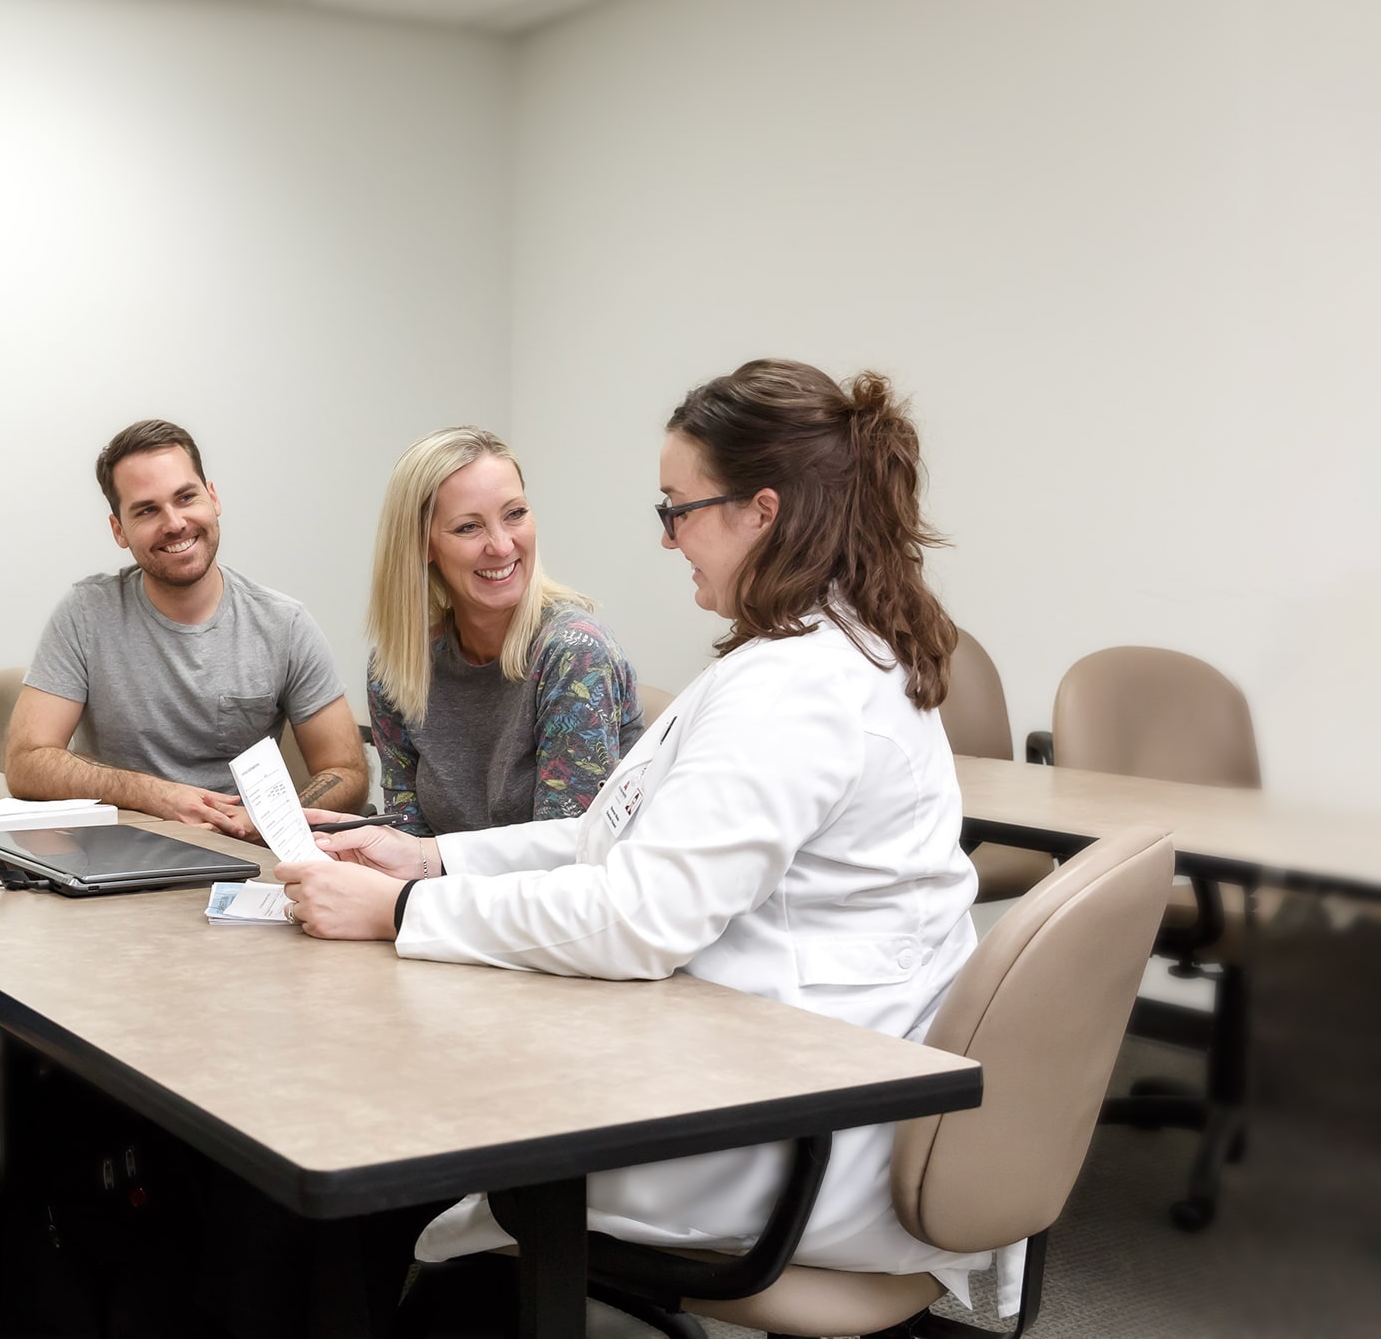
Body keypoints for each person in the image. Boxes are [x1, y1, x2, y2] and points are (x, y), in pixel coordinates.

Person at [278, 360, 999, 1306]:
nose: (669, 540)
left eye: (678, 509)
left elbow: (635, 915)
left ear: (761, 511)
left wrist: (404, 910)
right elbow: (615, 837)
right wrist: (433, 855)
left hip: (788, 1133)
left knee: (377, 1143)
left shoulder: (795, 690)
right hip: (803, 1071)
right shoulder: (810, 653)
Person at [6, 419, 369, 834]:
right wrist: (153, 795)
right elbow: (27, 762)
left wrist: (273, 821)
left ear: (212, 498)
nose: (175, 522)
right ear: (118, 530)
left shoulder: (283, 623)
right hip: (117, 849)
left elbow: (346, 771)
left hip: (244, 856)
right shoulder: (86, 613)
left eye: (186, 497)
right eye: (147, 510)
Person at [365, 427, 643, 835]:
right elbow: (408, 841)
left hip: (555, 896)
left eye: (515, 514)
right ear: (422, 545)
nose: (500, 545)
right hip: (442, 897)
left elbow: (561, 857)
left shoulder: (575, 653)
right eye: (468, 528)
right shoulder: (395, 667)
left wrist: (425, 879)